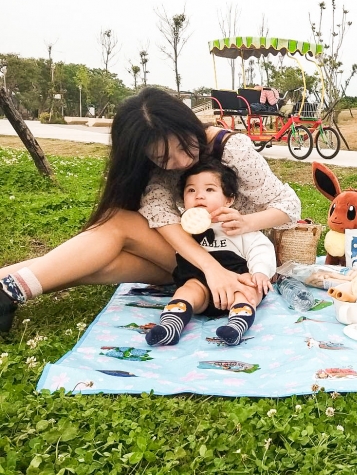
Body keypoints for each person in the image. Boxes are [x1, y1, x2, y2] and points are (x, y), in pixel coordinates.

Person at [0, 87, 300, 332]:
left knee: (115, 225)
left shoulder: (232, 149)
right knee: (98, 259)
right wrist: (210, 269)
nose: (181, 163)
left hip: (237, 257)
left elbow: (289, 206)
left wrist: (246, 223)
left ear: (191, 126)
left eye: (185, 147)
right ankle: (8, 289)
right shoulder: (152, 170)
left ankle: (9, 289)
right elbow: (163, 220)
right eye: (163, 159)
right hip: (188, 258)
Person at [147, 157, 276, 347]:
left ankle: (236, 326)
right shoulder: (182, 230)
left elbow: (260, 247)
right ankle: (171, 326)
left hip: (237, 281)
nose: (199, 196)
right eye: (191, 190)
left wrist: (260, 272)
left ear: (229, 199)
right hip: (199, 284)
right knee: (186, 290)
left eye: (209, 190)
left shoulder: (235, 226)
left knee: (250, 290)